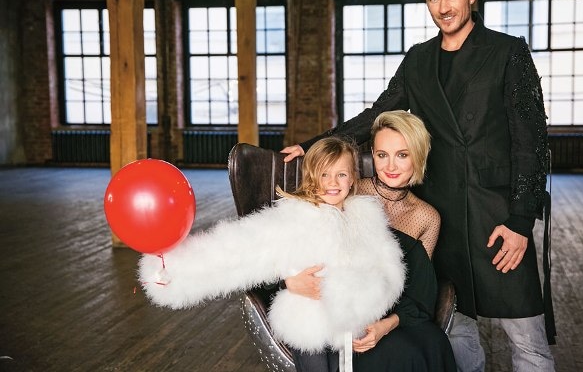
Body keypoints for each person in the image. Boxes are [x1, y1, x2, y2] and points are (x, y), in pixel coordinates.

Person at [282, 0, 555, 372]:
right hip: (442, 210)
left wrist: (520, 220)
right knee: (457, 332)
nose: (444, 7)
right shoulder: (418, 59)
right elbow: (377, 115)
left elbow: (530, 141)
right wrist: (313, 146)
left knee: (527, 338)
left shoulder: (507, 51)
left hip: (496, 215)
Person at [138, 137, 406, 372]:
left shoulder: (366, 216)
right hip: (308, 323)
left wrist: (370, 304)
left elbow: (389, 267)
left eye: (341, 174)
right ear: (312, 176)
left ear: (353, 178)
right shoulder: (293, 216)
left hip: (354, 325)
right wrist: (172, 269)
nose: (332, 183)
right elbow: (236, 250)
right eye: (324, 174)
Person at [285, 110, 457, 371]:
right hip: (342, 317)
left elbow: (419, 293)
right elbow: (287, 238)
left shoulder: (427, 217)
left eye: (402, 155)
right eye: (382, 155)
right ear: (372, 155)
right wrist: (290, 280)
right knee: (399, 354)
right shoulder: (347, 189)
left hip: (394, 318)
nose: (390, 166)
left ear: (418, 156)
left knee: (433, 344)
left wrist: (385, 326)